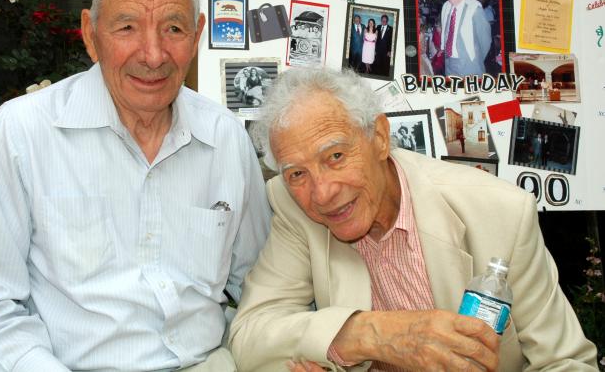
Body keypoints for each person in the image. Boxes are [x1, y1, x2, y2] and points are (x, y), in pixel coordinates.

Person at [0, 0, 272, 372]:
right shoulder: (23, 133)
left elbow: (262, 284)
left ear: (197, 36)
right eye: (127, 27)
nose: (153, 55)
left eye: (173, 28)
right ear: (90, 35)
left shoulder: (224, 137)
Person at [229, 68, 597, 371]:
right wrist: (367, 334)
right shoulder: (293, 204)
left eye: (336, 156)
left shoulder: (501, 212)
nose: (322, 193)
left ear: (380, 139)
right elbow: (249, 336)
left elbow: (567, 362)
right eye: (297, 174)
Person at [439, 0, 492, 77]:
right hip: (449, 62)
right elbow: (445, 32)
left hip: (469, 63)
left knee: (471, 91)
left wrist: (476, 58)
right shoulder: (446, 7)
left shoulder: (474, 8)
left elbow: (485, 40)